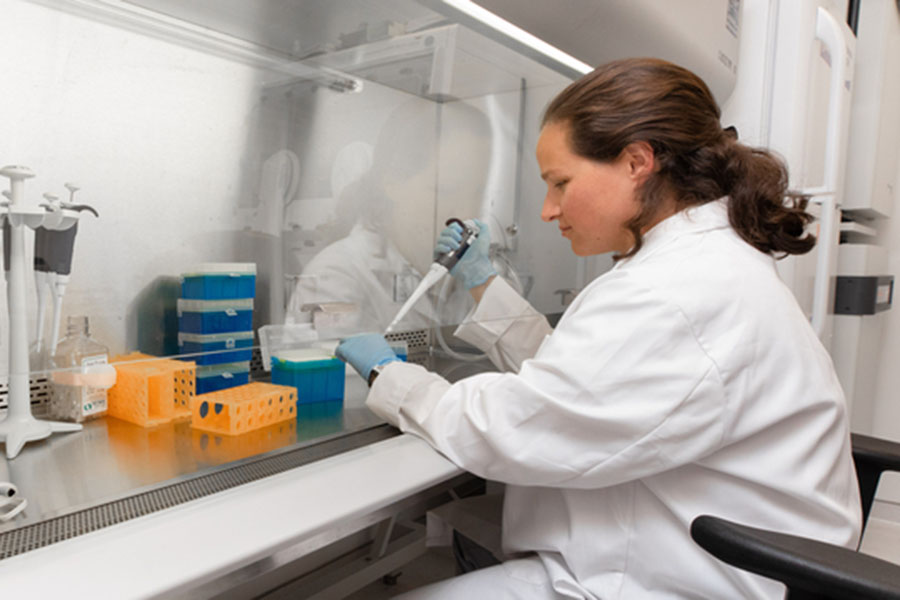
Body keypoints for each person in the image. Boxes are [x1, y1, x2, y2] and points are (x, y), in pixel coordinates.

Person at [336, 58, 861, 599]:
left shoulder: (673, 290)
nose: (547, 209)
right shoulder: (696, 263)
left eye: (560, 182)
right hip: (684, 549)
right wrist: (483, 284)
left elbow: (516, 427)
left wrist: (393, 378)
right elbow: (590, 377)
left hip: (676, 580)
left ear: (637, 162)